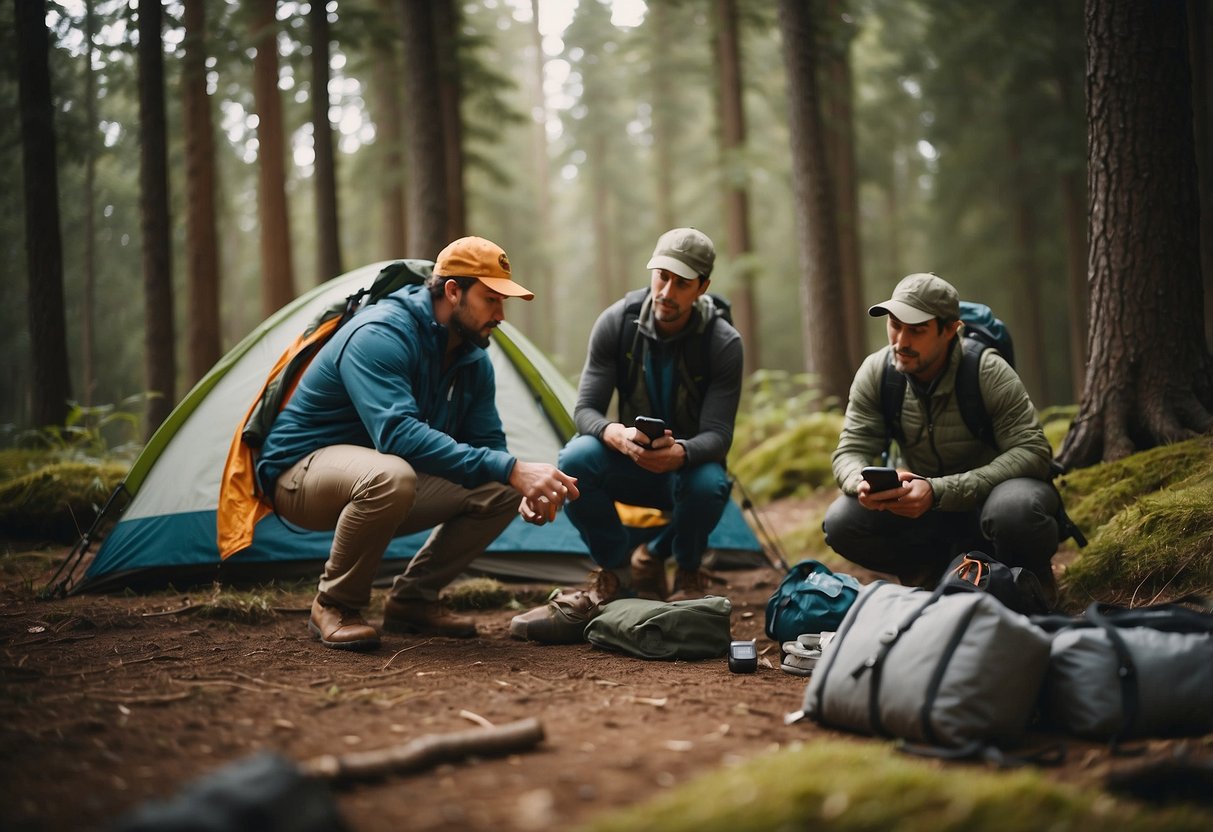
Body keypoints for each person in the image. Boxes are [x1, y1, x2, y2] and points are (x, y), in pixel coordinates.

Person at [255, 236, 579, 651]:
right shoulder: (381, 332)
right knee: (392, 474)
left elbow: (489, 447)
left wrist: (518, 485)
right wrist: (513, 469)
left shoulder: (472, 358)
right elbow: (396, 435)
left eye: (504, 303)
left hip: (377, 478)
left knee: (498, 484)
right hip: (299, 475)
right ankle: (334, 603)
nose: (501, 315)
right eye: (491, 300)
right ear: (452, 290)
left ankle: (413, 600)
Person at [823, 272, 1059, 590]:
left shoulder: (987, 370)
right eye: (895, 325)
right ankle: (931, 580)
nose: (901, 342)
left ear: (950, 330)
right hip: (923, 513)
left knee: (1014, 510)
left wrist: (938, 491)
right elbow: (850, 449)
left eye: (917, 331)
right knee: (841, 521)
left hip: (990, 503)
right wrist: (861, 483)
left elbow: (1033, 452)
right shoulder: (878, 372)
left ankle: (1027, 585)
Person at [558, 227, 744, 603]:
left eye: (682, 283)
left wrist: (682, 454)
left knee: (710, 485)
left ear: (702, 287)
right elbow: (585, 410)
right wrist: (614, 434)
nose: (666, 292)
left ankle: (685, 571)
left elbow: (719, 434)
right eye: (662, 276)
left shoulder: (722, 343)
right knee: (574, 461)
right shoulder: (616, 323)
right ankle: (618, 571)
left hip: (686, 471)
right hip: (629, 461)